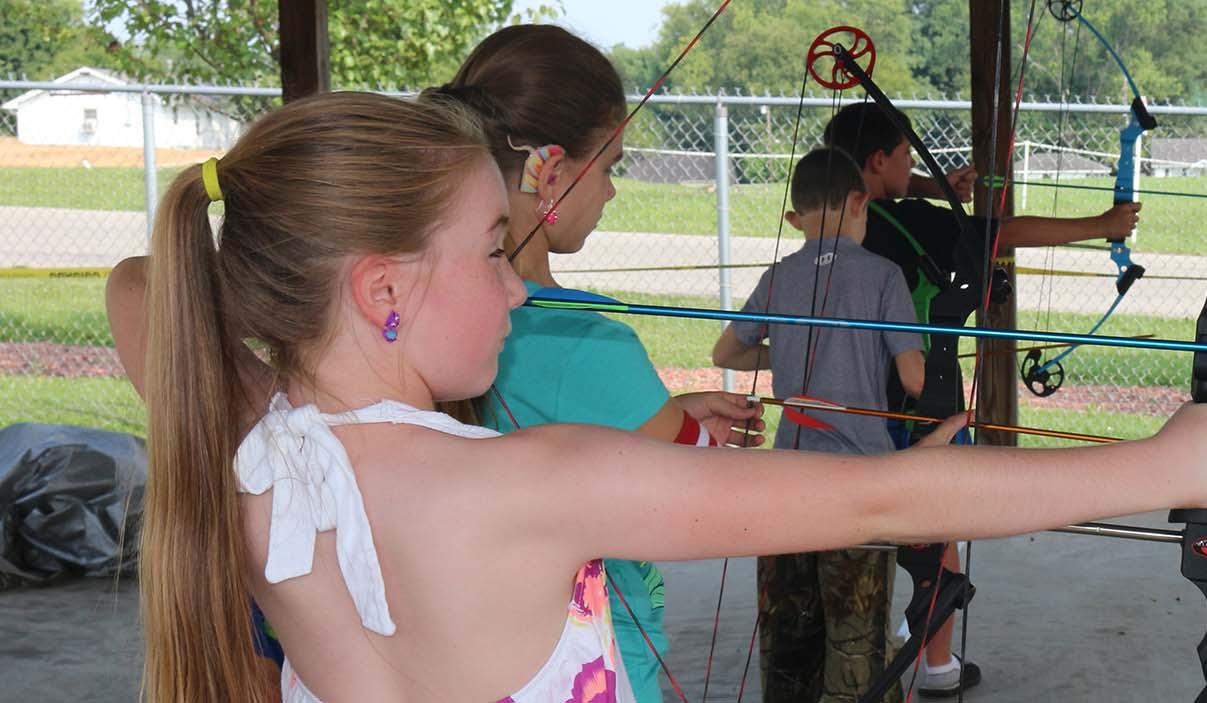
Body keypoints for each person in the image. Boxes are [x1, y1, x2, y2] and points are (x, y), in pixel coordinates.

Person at [136, 90, 1207, 702]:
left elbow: (147, 288)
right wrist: (1168, 464)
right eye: (493, 252)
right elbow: (871, 503)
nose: (515, 290)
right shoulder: (530, 485)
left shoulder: (250, 448)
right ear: (382, 290)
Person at [103, 25, 765, 700]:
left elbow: (138, 285)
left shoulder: (287, 441)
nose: (613, 189)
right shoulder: (589, 349)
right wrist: (693, 430)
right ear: (553, 172)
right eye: (612, 163)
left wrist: (285, 292)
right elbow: (703, 474)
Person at [821, 100, 1144, 696]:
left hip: (838, 398)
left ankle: (848, 656)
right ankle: (937, 668)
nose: (912, 171)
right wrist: (1102, 225)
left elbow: (879, 187)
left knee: (847, 527)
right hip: (913, 401)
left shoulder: (829, 219)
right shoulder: (914, 220)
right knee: (937, 525)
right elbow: (1000, 234)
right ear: (878, 159)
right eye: (905, 159)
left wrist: (931, 185)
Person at [710, 148, 923, 702]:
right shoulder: (883, 275)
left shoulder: (779, 275)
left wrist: (785, 357)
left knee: (788, 648)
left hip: (785, 484)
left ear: (795, 219)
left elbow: (727, 353)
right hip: (860, 487)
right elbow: (916, 379)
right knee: (858, 652)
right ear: (859, 202)